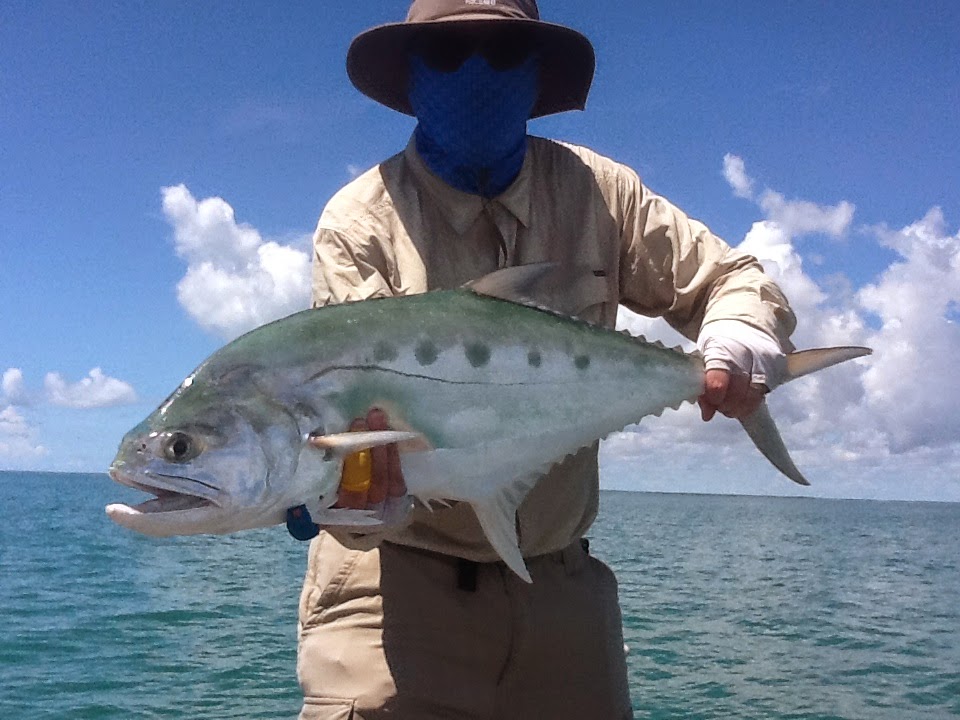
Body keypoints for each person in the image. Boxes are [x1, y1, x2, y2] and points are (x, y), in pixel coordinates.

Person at [294, 2, 796, 718]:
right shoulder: (359, 221)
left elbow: (729, 276)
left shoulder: (602, 193)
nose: (476, 72)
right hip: (391, 584)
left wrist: (739, 334)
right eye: (447, 54)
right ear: (409, 75)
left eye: (502, 50)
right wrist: (347, 492)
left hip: (561, 587)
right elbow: (346, 424)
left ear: (536, 74)